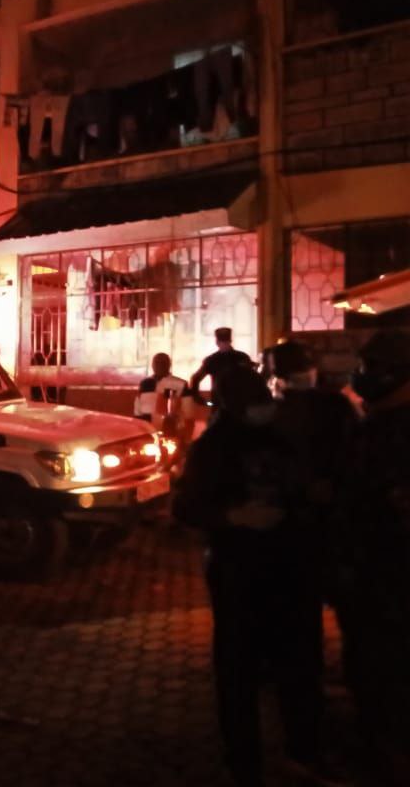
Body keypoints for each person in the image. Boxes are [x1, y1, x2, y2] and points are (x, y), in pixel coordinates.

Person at [174, 367, 331, 787]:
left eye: (263, 398)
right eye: (252, 402)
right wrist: (235, 516)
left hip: (292, 569)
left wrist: (311, 497)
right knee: (238, 674)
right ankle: (243, 764)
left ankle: (304, 752)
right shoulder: (212, 449)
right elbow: (186, 508)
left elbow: (303, 486)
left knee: (299, 667)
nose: (262, 408)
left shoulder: (284, 438)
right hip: (238, 574)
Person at [338, 330, 410, 780]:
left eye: (369, 368)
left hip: (392, 578)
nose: (360, 376)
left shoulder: (395, 431)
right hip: (366, 575)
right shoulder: (373, 424)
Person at [190, 327, 253, 400]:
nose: (224, 344)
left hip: (238, 399)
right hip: (223, 400)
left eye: (225, 342)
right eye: (222, 341)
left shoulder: (242, 357)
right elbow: (196, 378)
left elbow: (251, 379)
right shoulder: (212, 360)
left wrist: (197, 398)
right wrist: (197, 397)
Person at [134, 352, 187, 429]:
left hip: (170, 427)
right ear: (152, 365)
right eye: (156, 363)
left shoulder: (180, 384)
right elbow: (138, 406)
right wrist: (138, 423)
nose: (159, 365)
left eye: (163, 363)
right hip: (146, 427)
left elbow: (186, 411)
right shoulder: (145, 383)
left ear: (169, 365)